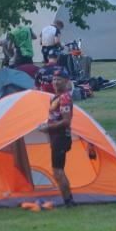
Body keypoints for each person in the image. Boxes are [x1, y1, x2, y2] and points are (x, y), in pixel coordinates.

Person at [38, 71, 76, 207]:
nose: (55, 82)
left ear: (66, 81)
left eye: (59, 80)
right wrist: (47, 125)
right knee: (57, 171)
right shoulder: (55, 97)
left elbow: (66, 121)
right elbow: (55, 117)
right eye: (54, 79)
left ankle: (69, 202)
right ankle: (68, 200)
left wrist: (48, 128)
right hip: (56, 137)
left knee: (58, 171)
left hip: (61, 137)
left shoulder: (65, 98)